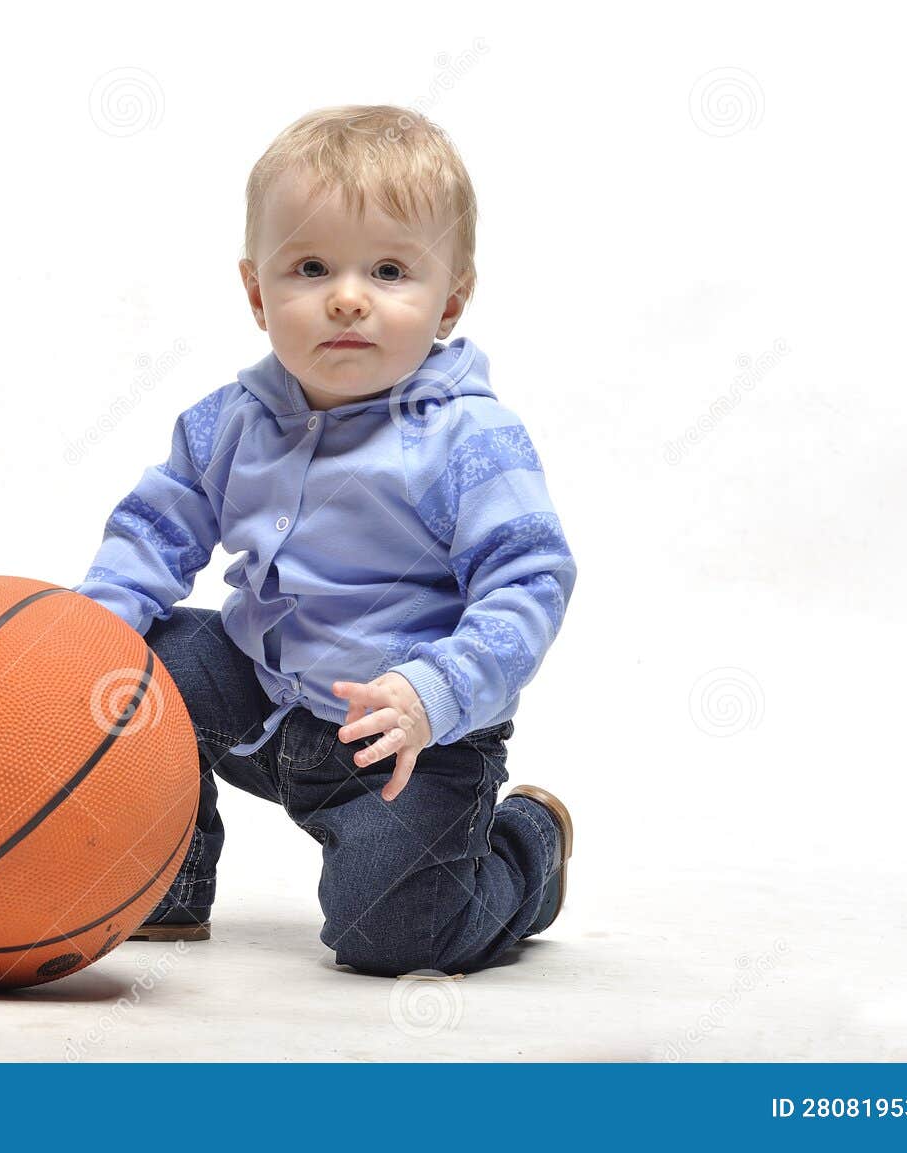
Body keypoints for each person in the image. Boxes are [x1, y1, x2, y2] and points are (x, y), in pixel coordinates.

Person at [73, 104, 577, 977]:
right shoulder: (232, 421)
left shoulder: (466, 438)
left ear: (450, 299)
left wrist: (435, 692)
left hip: (401, 736)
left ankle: (526, 846)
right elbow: (156, 528)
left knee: (393, 936)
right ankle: (167, 880)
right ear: (257, 292)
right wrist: (89, 629)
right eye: (310, 267)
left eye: (388, 270)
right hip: (263, 700)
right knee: (132, 665)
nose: (347, 295)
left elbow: (530, 581)